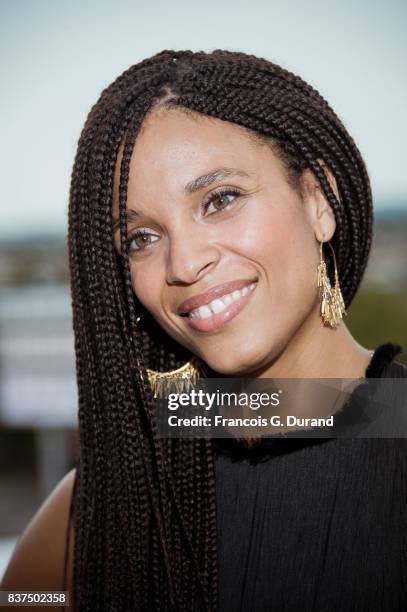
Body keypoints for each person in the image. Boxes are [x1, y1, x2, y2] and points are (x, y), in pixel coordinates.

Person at [1, 49, 406, 611]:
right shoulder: (112, 502)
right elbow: (27, 600)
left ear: (318, 199)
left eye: (221, 200)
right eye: (141, 238)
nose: (184, 264)